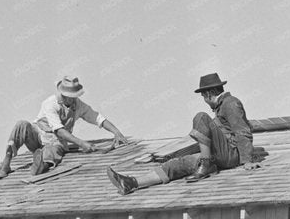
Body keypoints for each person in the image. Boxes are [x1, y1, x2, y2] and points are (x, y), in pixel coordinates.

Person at [107, 72, 260, 194]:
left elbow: (243, 131)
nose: (205, 101)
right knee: (176, 164)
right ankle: (132, 183)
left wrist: (247, 161)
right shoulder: (221, 107)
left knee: (201, 117)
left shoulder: (231, 103)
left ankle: (206, 164)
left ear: (209, 93)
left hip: (231, 155)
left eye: (203, 97)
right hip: (219, 155)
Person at [0, 74, 133, 178]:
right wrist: (81, 143)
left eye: (74, 96)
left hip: (54, 141)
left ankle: (42, 164)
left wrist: (116, 132)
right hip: (38, 136)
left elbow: (97, 118)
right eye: (70, 96)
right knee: (21, 124)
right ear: (63, 94)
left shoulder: (78, 105)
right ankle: (6, 163)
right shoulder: (50, 103)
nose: (72, 99)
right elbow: (59, 130)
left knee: (55, 148)